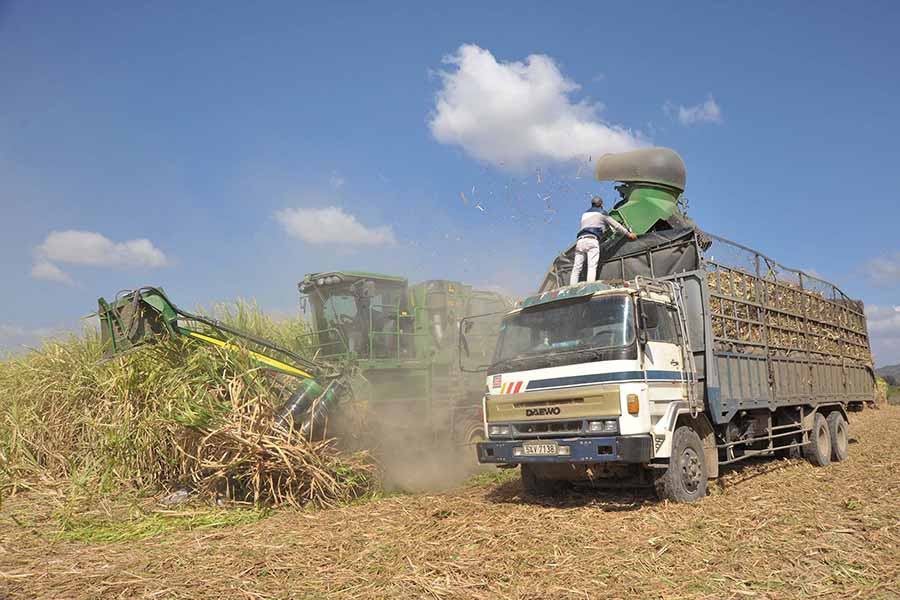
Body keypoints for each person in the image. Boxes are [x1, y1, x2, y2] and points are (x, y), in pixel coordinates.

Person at [569, 196, 637, 286]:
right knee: (592, 266)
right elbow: (617, 226)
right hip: (592, 240)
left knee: (577, 267)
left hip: (580, 241)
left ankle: (572, 287)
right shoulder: (602, 213)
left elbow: (594, 223)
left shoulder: (584, 214)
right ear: (601, 204)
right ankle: (590, 286)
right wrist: (629, 234)